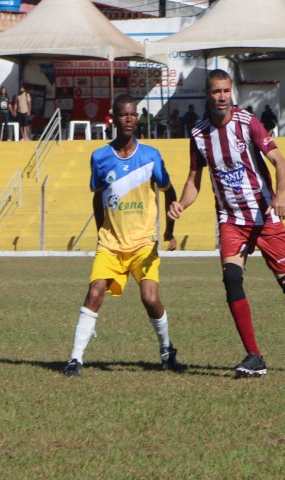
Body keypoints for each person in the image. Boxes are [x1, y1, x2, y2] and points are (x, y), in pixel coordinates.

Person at [167, 69, 285, 378]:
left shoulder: (247, 123)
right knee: (232, 280)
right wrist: (181, 204)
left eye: (226, 90)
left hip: (264, 217)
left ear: (231, 92)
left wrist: (281, 193)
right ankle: (254, 356)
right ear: (207, 95)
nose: (221, 96)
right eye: (215, 92)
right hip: (231, 220)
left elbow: (280, 161)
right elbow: (194, 180)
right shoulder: (198, 134)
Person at [64, 94, 181, 377]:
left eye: (132, 114)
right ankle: (75, 360)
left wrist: (169, 230)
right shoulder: (100, 157)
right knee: (94, 292)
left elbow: (170, 191)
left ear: (137, 118)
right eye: (122, 115)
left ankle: (167, 350)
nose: (128, 119)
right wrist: (101, 230)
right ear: (113, 118)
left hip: (143, 244)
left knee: (150, 297)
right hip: (110, 244)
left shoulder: (151, 155)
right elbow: (97, 196)